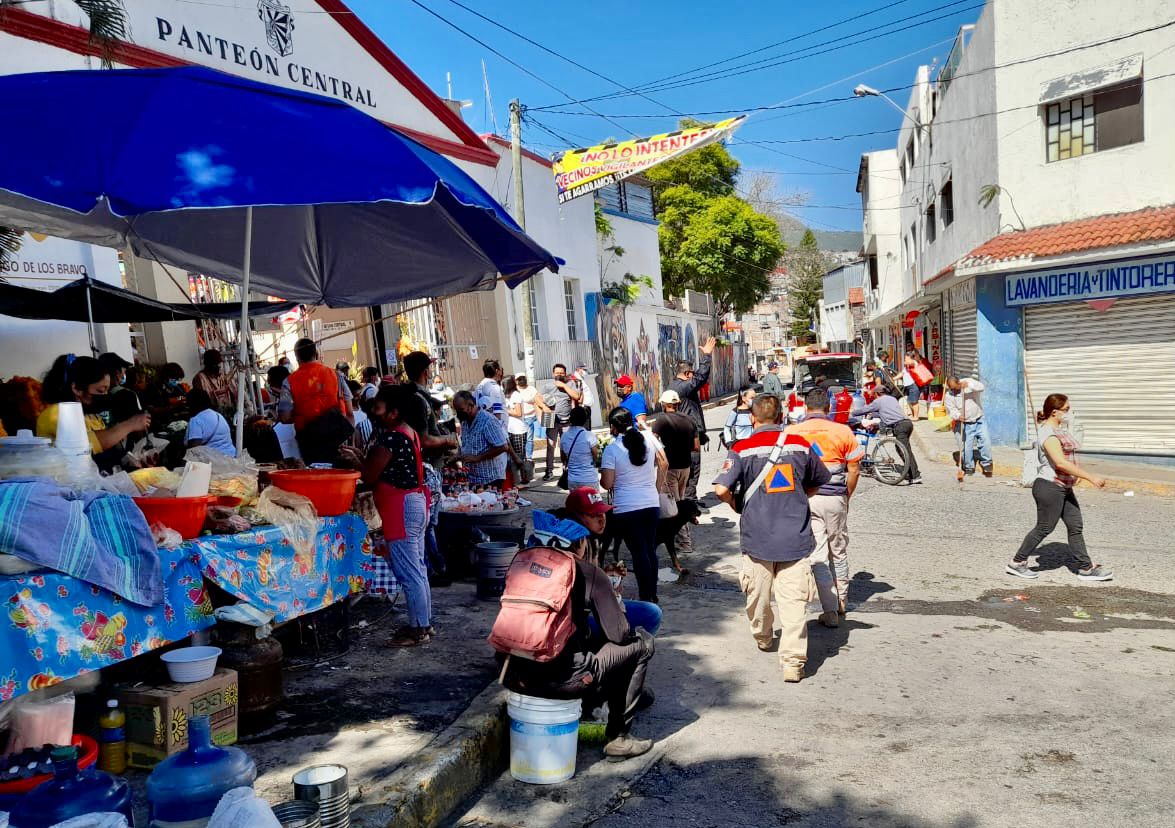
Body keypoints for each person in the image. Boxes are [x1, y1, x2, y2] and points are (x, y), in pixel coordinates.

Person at [498, 513, 656, 761]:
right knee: (641, 642)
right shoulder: (588, 572)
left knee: (588, 640)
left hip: (511, 675)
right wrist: (614, 601)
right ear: (579, 545)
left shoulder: (521, 564)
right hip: (564, 682)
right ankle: (619, 737)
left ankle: (625, 696)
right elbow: (620, 634)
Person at [712, 394, 831, 683]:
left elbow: (720, 490)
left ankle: (764, 637)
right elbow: (819, 479)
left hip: (757, 538)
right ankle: (792, 663)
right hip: (795, 537)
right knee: (793, 604)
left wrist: (737, 505)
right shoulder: (801, 446)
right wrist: (798, 497)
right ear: (781, 418)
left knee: (758, 596)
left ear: (752, 418)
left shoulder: (742, 448)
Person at [1007, 393, 1112, 582]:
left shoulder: (1059, 430)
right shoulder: (1048, 433)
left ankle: (1086, 568)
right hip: (1049, 486)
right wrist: (1090, 477)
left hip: (1063, 486)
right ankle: (1017, 562)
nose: (1069, 413)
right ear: (1055, 412)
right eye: (1066, 410)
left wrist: (1074, 477)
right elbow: (1060, 463)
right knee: (1044, 527)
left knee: (1075, 525)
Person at [358, 384, 434, 646]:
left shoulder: (391, 437)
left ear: (393, 412)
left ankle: (418, 629)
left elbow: (369, 476)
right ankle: (424, 624)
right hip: (413, 503)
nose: (373, 413)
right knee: (418, 570)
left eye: (378, 408)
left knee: (409, 573)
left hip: (400, 508)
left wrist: (355, 460)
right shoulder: (409, 432)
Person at [786, 388, 864, 622]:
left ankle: (829, 611)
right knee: (838, 551)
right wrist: (846, 496)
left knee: (817, 553)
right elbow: (855, 469)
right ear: (829, 408)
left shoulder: (792, 432)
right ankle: (842, 600)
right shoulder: (843, 431)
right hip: (836, 498)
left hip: (806, 499)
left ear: (805, 407)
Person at [600, 407, 667, 603]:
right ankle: (651, 593)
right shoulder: (648, 437)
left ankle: (646, 596)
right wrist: (656, 487)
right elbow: (664, 463)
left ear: (613, 427)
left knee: (639, 553)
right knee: (649, 550)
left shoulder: (612, 449)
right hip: (651, 503)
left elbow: (607, 483)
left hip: (627, 507)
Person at [37, 355, 150, 458]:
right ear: (77, 389)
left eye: (107, 389)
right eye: (101, 390)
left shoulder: (92, 416)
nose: (105, 395)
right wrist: (130, 424)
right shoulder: (54, 415)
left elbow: (109, 453)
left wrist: (134, 462)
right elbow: (85, 445)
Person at [280, 338, 354, 465]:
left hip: (309, 441)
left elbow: (285, 417)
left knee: (316, 476)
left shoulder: (289, 381)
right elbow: (350, 412)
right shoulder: (336, 375)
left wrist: (301, 414)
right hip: (338, 437)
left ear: (297, 358)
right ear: (317, 354)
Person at [669, 335, 717, 509]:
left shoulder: (675, 387)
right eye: (692, 374)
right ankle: (688, 502)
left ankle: (689, 498)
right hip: (688, 437)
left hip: (683, 435)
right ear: (687, 374)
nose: (693, 377)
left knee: (687, 469)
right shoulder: (682, 387)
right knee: (692, 468)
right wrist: (707, 356)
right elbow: (701, 378)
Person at [855, 387, 921, 485]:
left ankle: (915, 475)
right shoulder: (892, 398)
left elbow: (865, 409)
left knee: (904, 450)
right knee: (903, 449)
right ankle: (910, 472)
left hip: (899, 426)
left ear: (877, 393)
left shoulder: (878, 401)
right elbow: (886, 411)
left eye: (874, 394)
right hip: (907, 424)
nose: (874, 396)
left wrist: (851, 413)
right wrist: (874, 414)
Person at [452, 389, 510, 487]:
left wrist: (478, 458)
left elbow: (503, 446)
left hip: (490, 480)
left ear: (470, 405)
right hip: (473, 479)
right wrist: (458, 456)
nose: (458, 414)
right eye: (457, 411)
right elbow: (467, 445)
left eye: (461, 410)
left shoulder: (487, 420)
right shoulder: (465, 422)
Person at [537, 363, 582, 481]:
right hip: (551, 418)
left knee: (565, 446)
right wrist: (544, 407)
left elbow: (576, 396)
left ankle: (566, 471)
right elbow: (537, 398)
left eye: (561, 373)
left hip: (567, 420)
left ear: (565, 373)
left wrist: (563, 385)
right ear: (553, 373)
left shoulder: (570, 384)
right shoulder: (547, 386)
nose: (559, 375)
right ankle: (549, 471)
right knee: (550, 446)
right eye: (557, 373)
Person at [652, 390, 698, 504]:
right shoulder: (690, 420)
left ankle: (678, 520)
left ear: (664, 404)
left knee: (673, 502)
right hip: (685, 467)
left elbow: (652, 441)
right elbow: (696, 447)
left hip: (670, 468)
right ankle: (683, 521)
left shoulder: (661, 420)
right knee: (681, 498)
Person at [944, 376, 993, 477]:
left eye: (955, 388)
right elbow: (951, 410)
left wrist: (969, 385)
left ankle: (986, 462)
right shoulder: (949, 395)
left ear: (959, 382)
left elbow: (981, 387)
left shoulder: (969, 382)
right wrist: (958, 416)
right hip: (964, 423)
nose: (953, 390)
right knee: (966, 446)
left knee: (985, 440)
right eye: (951, 388)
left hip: (979, 419)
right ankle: (969, 466)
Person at [184, 388, 237, 457]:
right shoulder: (218, 415)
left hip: (214, 461)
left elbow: (194, 450)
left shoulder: (196, 420)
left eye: (188, 404)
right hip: (232, 456)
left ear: (193, 404)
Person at [560, 406, 599, 491]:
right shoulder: (589, 436)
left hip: (572, 480)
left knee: (576, 503)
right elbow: (596, 456)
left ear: (571, 419)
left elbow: (563, 459)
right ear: (585, 420)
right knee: (593, 504)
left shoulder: (564, 436)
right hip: (589, 479)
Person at [514, 374, 541, 460]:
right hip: (519, 418)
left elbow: (538, 400)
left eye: (523, 378)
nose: (521, 380)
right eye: (519, 379)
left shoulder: (531, 389)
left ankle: (528, 458)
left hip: (530, 416)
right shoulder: (515, 391)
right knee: (521, 439)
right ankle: (522, 457)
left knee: (529, 439)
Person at [475, 359, 508, 427]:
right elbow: (497, 412)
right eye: (500, 369)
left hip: (484, 423)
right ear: (497, 371)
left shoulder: (479, 386)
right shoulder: (494, 387)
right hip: (495, 427)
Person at [573, 362, 597, 426]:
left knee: (587, 428)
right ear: (578, 369)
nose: (585, 372)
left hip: (586, 408)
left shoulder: (580, 379)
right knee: (585, 429)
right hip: (583, 408)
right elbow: (577, 394)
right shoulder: (576, 380)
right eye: (584, 370)